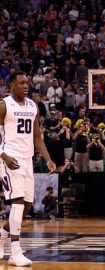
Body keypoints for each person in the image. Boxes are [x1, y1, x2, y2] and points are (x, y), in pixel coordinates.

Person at [0, 71, 56, 266]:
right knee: (17, 202)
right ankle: (15, 252)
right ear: (12, 86)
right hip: (9, 157)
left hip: (27, 159)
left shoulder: (33, 106)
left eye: (27, 83)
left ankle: (3, 233)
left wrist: (48, 159)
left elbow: (37, 137)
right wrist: (3, 155)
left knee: (27, 206)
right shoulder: (4, 105)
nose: (26, 86)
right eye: (21, 83)